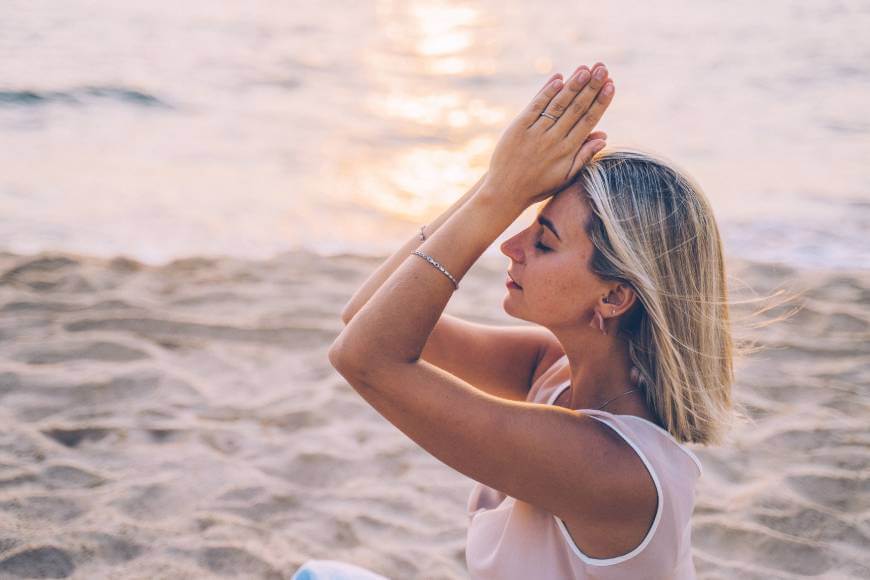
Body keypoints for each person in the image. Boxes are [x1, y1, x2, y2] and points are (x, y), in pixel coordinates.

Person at [326, 62, 735, 579]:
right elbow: (365, 315)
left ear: (613, 297)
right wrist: (499, 183)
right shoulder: (553, 372)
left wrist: (499, 195)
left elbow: (363, 357)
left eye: (543, 242)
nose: (509, 246)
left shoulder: (613, 469)